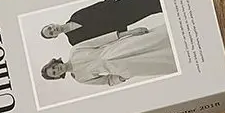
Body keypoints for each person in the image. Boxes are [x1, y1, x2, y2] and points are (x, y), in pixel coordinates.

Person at [40, 24, 177, 87]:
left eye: (54, 67)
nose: (57, 70)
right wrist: (124, 76)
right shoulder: (80, 78)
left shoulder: (75, 51)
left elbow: (103, 40)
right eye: (54, 73)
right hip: (126, 67)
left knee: (156, 39)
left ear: (55, 63)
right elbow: (108, 81)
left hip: (121, 47)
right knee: (159, 61)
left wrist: (131, 32)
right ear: (57, 77)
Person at [41, 0, 162, 46]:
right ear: (55, 37)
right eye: (51, 33)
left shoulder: (75, 15)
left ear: (52, 24)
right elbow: (102, 40)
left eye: (50, 28)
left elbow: (98, 6)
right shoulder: (74, 41)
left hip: (118, 6)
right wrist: (125, 33)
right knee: (152, 8)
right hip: (120, 21)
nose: (53, 30)